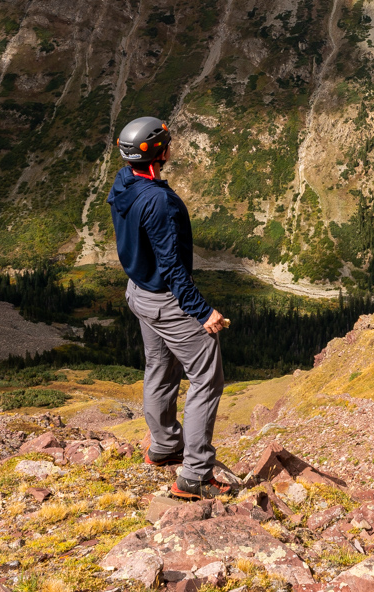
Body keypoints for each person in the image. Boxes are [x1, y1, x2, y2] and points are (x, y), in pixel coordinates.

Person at [107, 115, 233, 500]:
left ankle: (163, 446)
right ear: (158, 152)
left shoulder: (124, 182)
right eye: (166, 142)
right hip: (167, 301)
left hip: (139, 293)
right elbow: (173, 268)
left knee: (159, 365)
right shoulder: (158, 201)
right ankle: (194, 473)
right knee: (206, 376)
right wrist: (202, 312)